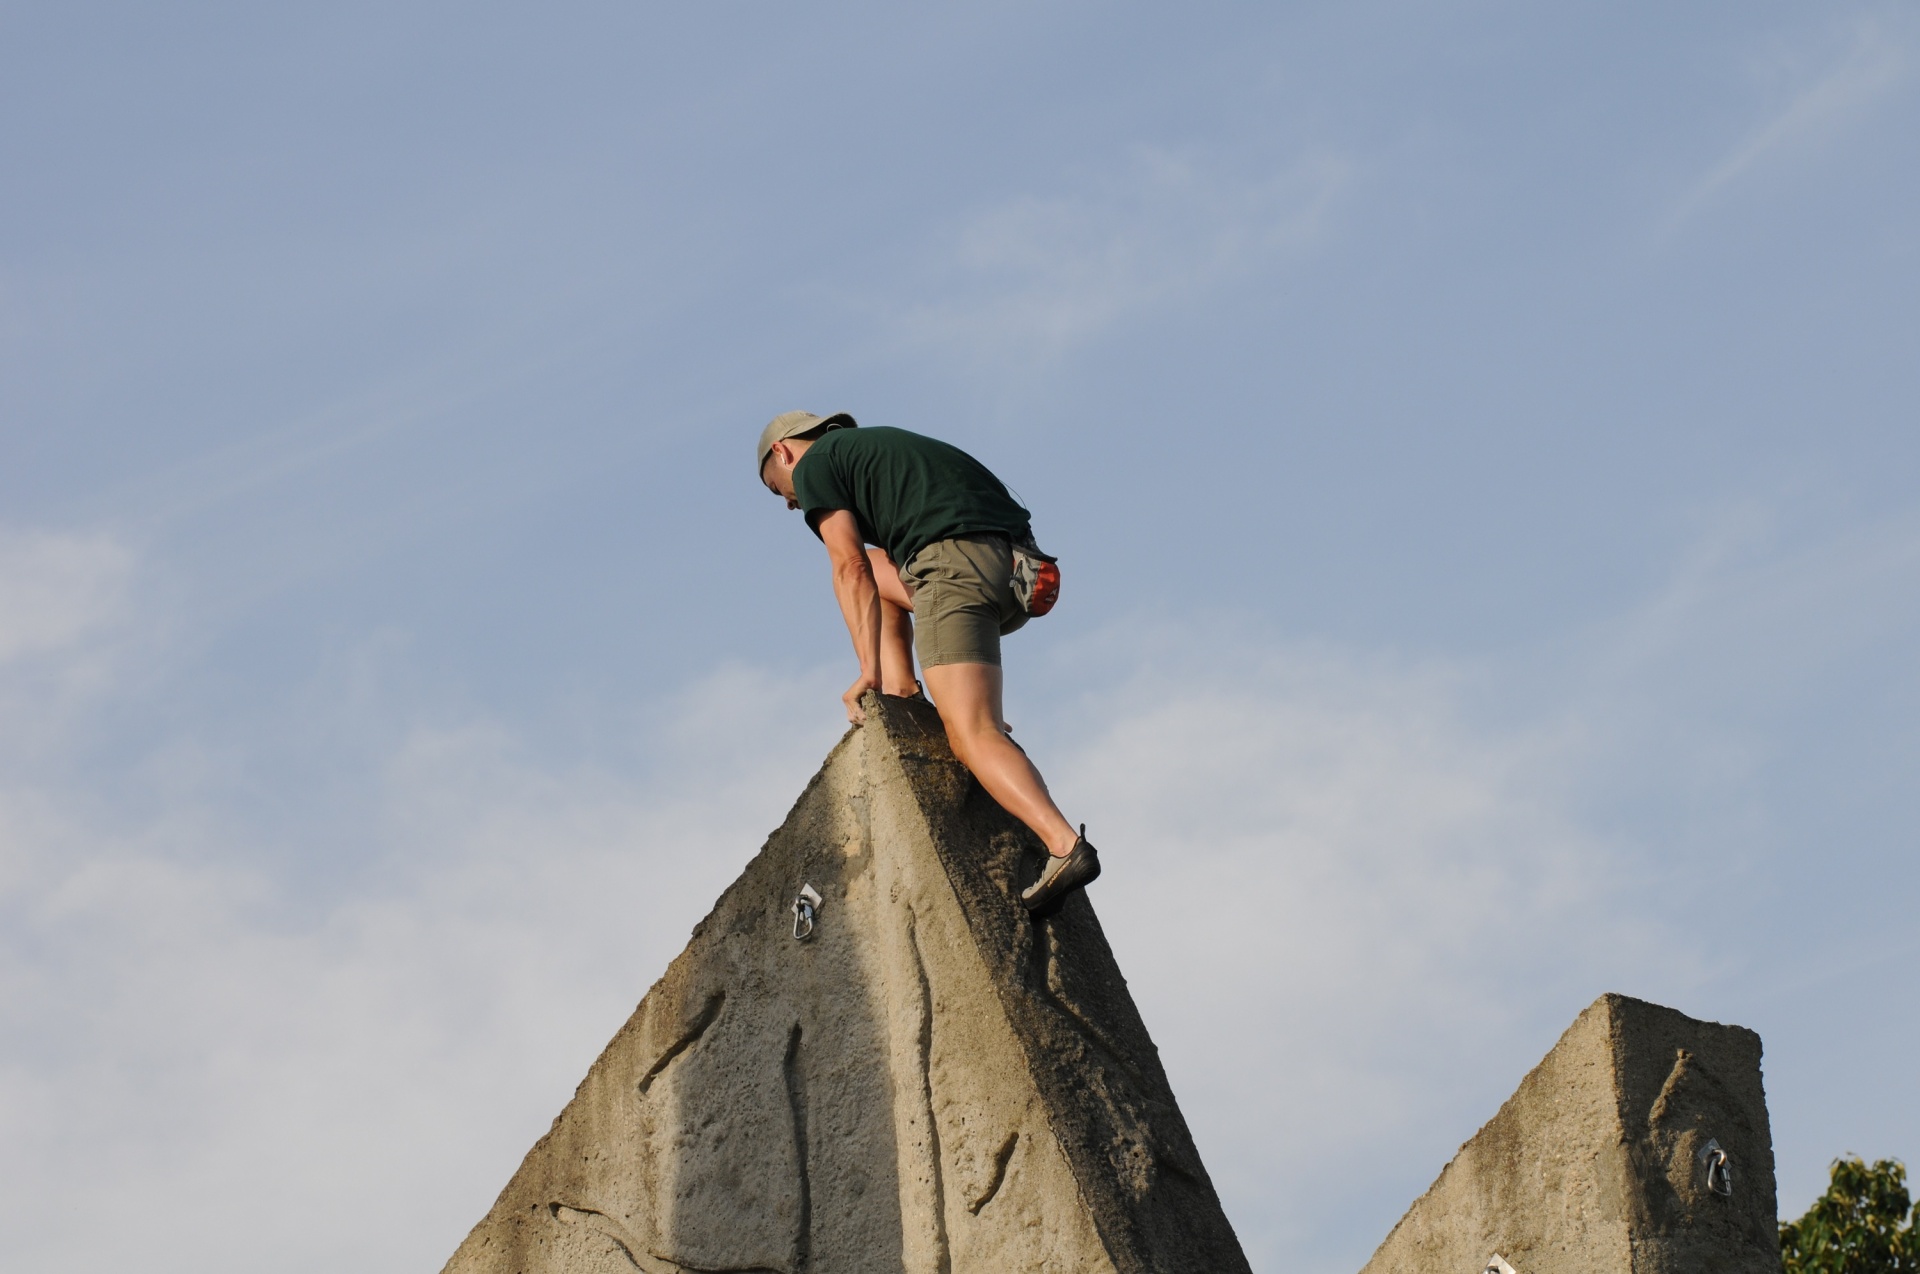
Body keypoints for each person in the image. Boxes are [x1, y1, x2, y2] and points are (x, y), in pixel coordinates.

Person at [756, 409, 1099, 914]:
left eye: (776, 487)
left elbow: (847, 566)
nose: (789, 503)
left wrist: (865, 672)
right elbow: (874, 570)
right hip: (1017, 571)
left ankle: (1064, 845)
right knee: (882, 567)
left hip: (953, 568)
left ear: (784, 452)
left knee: (972, 735)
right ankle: (903, 693)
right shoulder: (881, 447)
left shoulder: (813, 466)